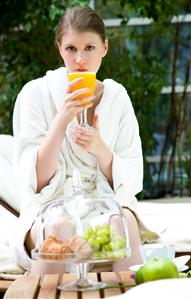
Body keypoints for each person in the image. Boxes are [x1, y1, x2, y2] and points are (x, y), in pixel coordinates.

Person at [10, 6, 158, 274]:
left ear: (104, 47)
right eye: (71, 49)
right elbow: (35, 181)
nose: (80, 59)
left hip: (102, 204)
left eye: (89, 47)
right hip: (48, 209)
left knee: (123, 221)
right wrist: (63, 117)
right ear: (59, 49)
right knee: (60, 226)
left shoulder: (117, 98)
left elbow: (133, 179)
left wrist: (100, 149)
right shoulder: (35, 94)